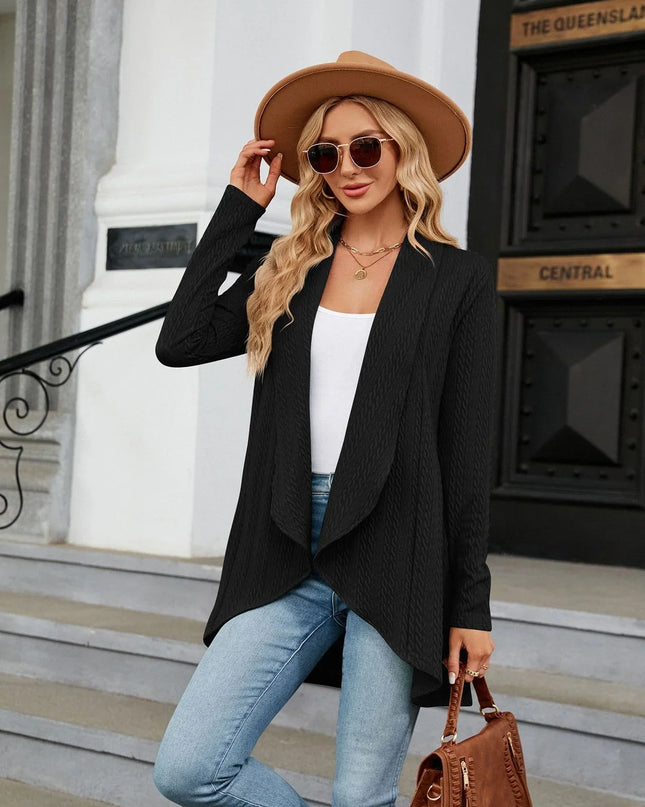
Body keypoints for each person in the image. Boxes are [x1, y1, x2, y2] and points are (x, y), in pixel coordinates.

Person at [153, 51, 496, 807]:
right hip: (284, 544)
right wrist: (238, 207)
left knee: (359, 794)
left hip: (398, 548)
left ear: (403, 150)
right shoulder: (292, 265)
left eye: (366, 146)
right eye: (325, 153)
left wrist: (470, 606)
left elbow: (466, 456)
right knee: (190, 766)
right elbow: (177, 341)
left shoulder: (457, 280)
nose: (347, 167)